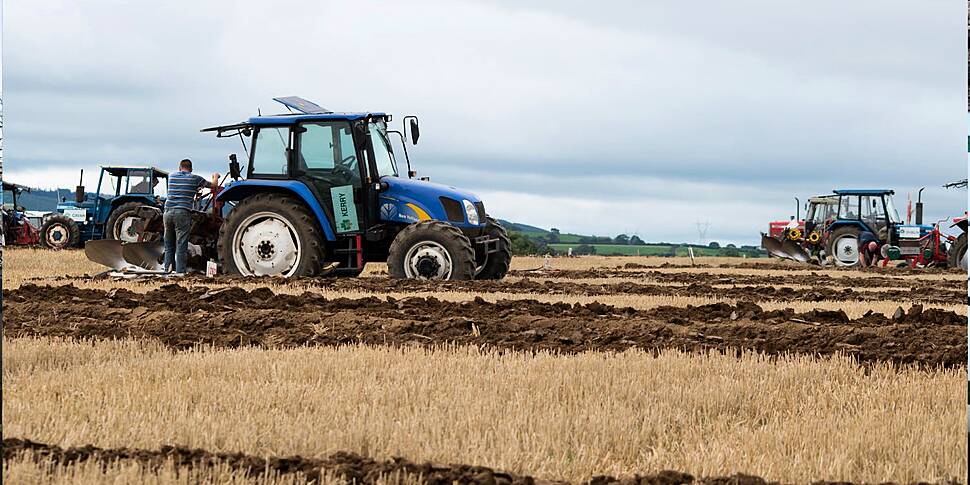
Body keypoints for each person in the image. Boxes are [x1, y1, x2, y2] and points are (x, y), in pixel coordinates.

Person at [163, 159, 218, 274]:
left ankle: (167, 271)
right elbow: (214, 185)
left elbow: (180, 189)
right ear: (191, 169)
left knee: (168, 245)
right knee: (181, 245)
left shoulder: (172, 176)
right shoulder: (195, 178)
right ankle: (180, 273)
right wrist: (215, 176)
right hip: (182, 213)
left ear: (179, 167)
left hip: (167, 212)